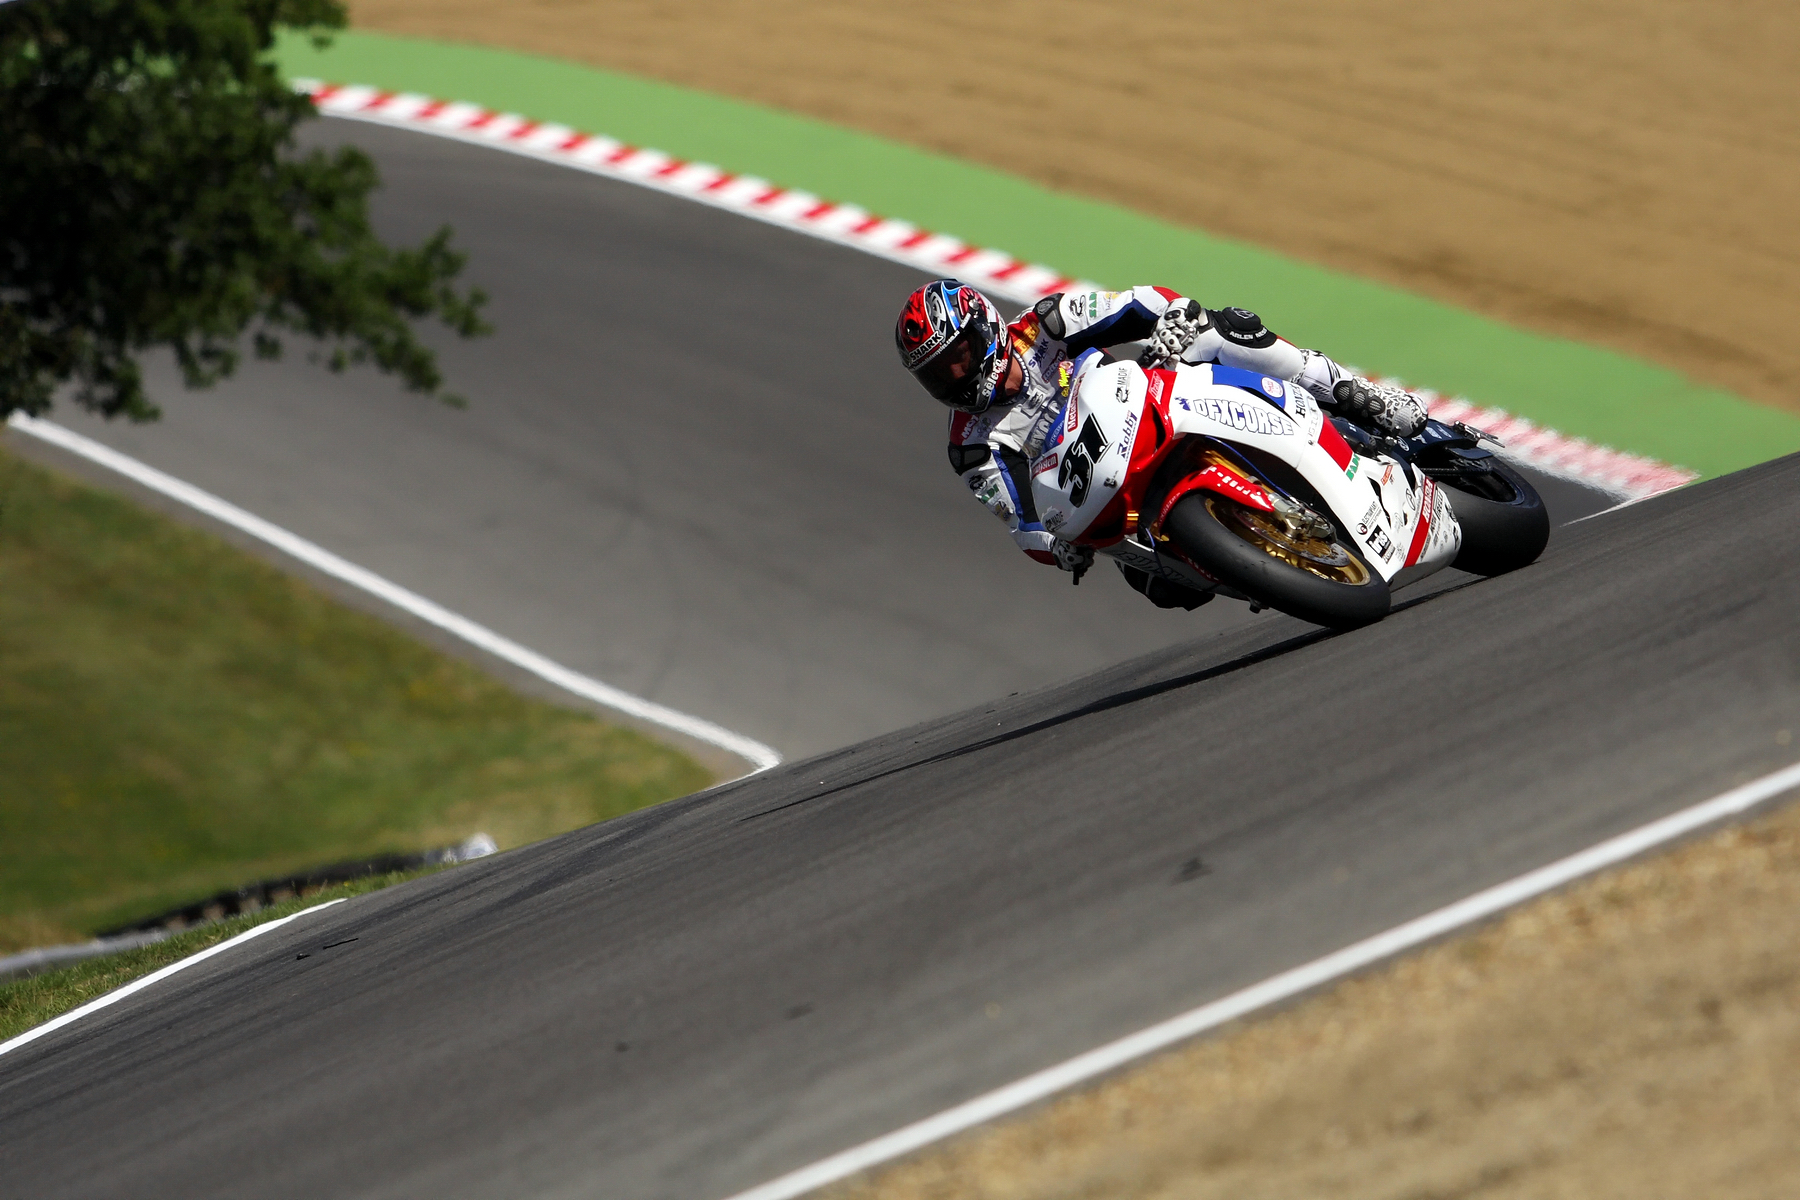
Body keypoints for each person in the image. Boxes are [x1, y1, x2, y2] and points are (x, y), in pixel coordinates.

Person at [893, 278, 1430, 607]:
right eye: (938, 375)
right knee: (1165, 591)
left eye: (958, 357)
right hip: (1115, 497)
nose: (955, 377)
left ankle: (1354, 393)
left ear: (984, 327)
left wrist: (1170, 322)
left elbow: (1142, 301)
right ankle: (1264, 565)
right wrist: (1059, 549)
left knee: (1224, 330)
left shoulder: (1048, 325)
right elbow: (1021, 522)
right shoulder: (972, 446)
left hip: (1155, 405)